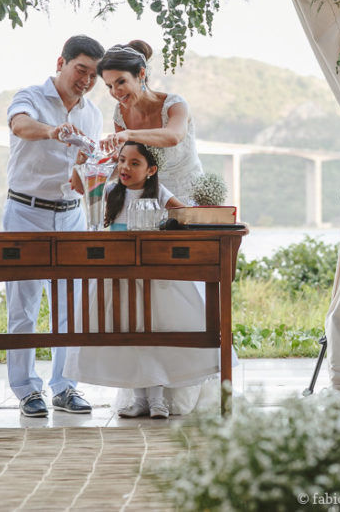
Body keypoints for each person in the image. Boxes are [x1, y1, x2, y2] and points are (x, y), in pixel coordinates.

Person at [63, 141, 229, 419]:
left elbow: (183, 214)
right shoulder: (111, 191)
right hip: (117, 273)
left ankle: (158, 400)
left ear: (151, 170)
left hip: (153, 276)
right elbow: (80, 186)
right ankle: (138, 399)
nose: (125, 167)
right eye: (122, 161)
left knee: (155, 334)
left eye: (134, 163)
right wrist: (80, 160)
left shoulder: (159, 193)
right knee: (128, 334)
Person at [4, 34, 105, 417]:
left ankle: (64, 387)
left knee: (71, 306)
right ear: (61, 62)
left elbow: (81, 175)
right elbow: (20, 126)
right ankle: (27, 390)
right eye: (81, 70)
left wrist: (92, 166)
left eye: (94, 75)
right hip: (24, 212)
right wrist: (54, 131)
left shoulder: (91, 113)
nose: (86, 80)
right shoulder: (30, 95)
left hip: (71, 213)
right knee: (23, 304)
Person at [94, 40, 204, 204]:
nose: (115, 92)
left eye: (121, 82)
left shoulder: (175, 105)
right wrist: (94, 168)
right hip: (150, 202)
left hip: (191, 200)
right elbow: (127, 163)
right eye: (109, 86)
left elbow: (173, 136)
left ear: (141, 74)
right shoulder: (120, 114)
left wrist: (129, 134)